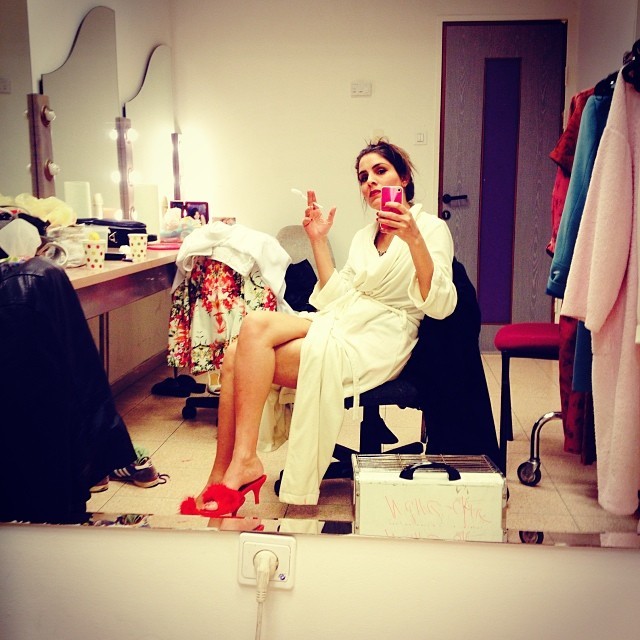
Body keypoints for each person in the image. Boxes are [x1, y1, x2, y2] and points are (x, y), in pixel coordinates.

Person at [180, 139, 458, 517]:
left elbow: (440, 304)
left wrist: (414, 240)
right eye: (363, 177)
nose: (371, 182)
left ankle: (239, 465)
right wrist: (319, 241)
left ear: (404, 178)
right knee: (245, 336)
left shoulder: (431, 228)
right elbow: (338, 296)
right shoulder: (365, 236)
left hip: (383, 338)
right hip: (345, 320)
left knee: (239, 355)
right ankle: (227, 467)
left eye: (380, 171)